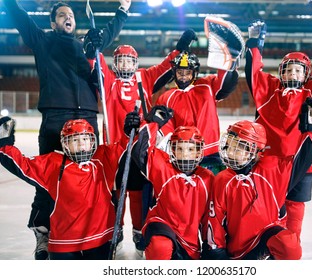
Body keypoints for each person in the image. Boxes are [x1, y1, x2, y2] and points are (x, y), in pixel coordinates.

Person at [1, 0, 131, 259]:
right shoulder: (43, 41)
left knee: (95, 178)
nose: (67, 18)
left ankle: (102, 230)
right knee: (47, 179)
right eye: (61, 15)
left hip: (87, 118)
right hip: (56, 116)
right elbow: (19, 16)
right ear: (53, 23)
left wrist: (123, 11)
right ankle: (43, 231)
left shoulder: (86, 46)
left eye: (70, 15)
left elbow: (105, 35)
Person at [84, 30, 197, 256]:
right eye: (121, 59)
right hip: (113, 146)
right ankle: (115, 232)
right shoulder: (108, 81)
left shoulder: (143, 78)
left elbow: (166, 66)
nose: (125, 63)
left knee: (138, 191)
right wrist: (91, 48)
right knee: (116, 192)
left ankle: (138, 230)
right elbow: (94, 64)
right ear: (115, 63)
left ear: (135, 62)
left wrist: (181, 46)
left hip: (138, 147)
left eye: (129, 59)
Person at [245, 20, 312, 243]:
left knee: (295, 203)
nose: (293, 74)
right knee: (272, 201)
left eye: (298, 70)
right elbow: (254, 72)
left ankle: (291, 241)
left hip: (304, 160)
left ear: (306, 74)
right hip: (273, 160)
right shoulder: (269, 91)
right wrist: (256, 42)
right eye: (288, 69)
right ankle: (271, 239)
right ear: (281, 73)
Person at [0, 117, 126, 260]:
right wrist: (5, 144)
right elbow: (23, 165)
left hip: (100, 240)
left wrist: (130, 129)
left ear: (92, 141)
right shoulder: (53, 164)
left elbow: (127, 146)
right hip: (63, 243)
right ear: (65, 143)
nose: (81, 144)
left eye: (85, 139)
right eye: (75, 140)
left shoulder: (103, 158)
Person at [202, 120, 302, 260]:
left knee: (289, 246)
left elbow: (302, 159)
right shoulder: (222, 179)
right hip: (237, 251)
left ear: (255, 150)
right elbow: (215, 220)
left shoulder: (270, 170)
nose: (230, 151)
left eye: (237, 147)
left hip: (265, 238)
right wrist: (216, 250)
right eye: (229, 144)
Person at [125, 106, 214, 260]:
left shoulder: (207, 178)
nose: (185, 154)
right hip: (161, 226)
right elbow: (140, 150)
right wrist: (153, 123)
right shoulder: (163, 167)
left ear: (199, 152)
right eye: (179, 149)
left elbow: (209, 218)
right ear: (172, 150)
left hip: (189, 241)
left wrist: (211, 246)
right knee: (160, 245)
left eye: (190, 149)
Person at [155, 50, 240, 175]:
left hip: (210, 154)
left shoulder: (206, 86)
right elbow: (165, 130)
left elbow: (225, 83)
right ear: (174, 72)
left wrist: (228, 59)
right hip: (184, 156)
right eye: (180, 72)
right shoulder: (166, 97)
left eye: (188, 72)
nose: (183, 76)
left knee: (212, 192)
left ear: (195, 73)